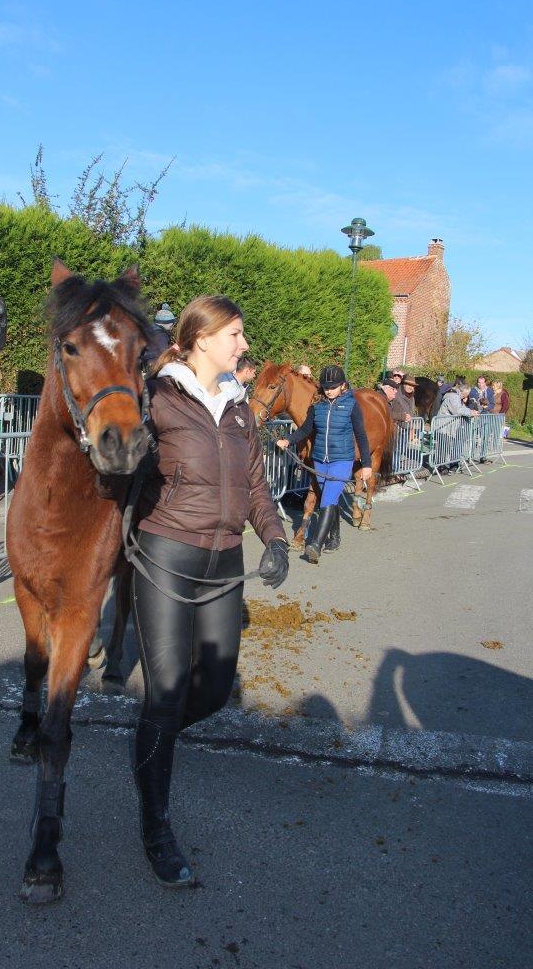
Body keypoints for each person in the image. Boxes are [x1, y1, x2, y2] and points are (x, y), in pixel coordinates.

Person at [131, 295, 289, 887]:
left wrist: (274, 539)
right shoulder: (158, 398)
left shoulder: (240, 408)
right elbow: (121, 464)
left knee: (216, 690)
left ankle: (152, 737)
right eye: (236, 336)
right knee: (167, 690)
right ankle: (156, 826)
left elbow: (253, 482)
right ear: (201, 338)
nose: (243, 346)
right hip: (167, 553)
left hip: (226, 559)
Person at [276, 364, 371, 563]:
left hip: (342, 460)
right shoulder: (317, 407)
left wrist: (367, 464)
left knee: (327, 499)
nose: (329, 390)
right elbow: (305, 430)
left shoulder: (351, 405)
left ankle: (315, 545)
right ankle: (334, 538)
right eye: (326, 387)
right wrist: (289, 440)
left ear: (343, 386)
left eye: (333, 386)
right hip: (320, 460)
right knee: (331, 498)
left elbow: (361, 435)